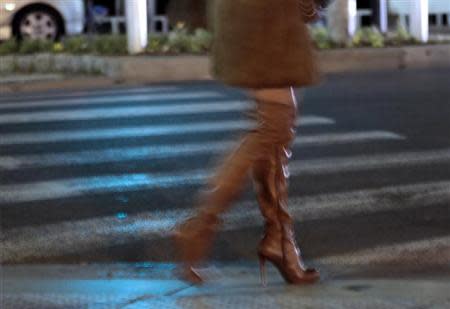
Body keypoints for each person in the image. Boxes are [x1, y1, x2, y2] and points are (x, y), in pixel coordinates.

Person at [173, 0, 322, 285]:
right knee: (274, 124)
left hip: (251, 13)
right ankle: (200, 225)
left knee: (276, 127)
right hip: (267, 14)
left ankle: (279, 238)